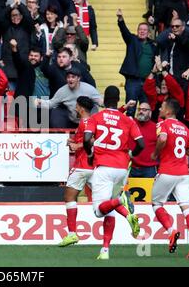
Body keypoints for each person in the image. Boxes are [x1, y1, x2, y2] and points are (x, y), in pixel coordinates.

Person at [83, 85, 144, 260]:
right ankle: (105, 250)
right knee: (109, 209)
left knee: (98, 211)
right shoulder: (128, 120)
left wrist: (90, 154)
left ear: (104, 100)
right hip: (122, 169)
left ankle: (121, 199)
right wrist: (131, 154)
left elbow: (87, 139)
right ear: (119, 100)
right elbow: (141, 144)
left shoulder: (95, 118)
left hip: (104, 167)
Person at [150, 98, 189, 258]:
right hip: (183, 174)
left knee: (157, 203)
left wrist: (156, 153)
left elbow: (163, 139)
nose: (159, 109)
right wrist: (178, 152)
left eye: (162, 107)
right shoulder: (185, 128)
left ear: (168, 111)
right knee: (186, 206)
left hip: (167, 171)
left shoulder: (163, 124)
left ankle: (171, 231)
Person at [59, 96, 95, 247]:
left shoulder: (86, 121)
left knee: (69, 197)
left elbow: (92, 140)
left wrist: (77, 146)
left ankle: (72, 234)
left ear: (81, 107)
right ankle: (126, 210)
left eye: (76, 105)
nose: (74, 107)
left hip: (82, 165)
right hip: (93, 165)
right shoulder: (90, 121)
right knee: (104, 200)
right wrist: (73, 142)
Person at [116, 9, 156, 117]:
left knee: (145, 110)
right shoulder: (132, 40)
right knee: (130, 110)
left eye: (144, 30)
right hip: (133, 81)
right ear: (137, 31)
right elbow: (124, 31)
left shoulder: (153, 45)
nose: (142, 31)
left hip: (147, 82)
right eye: (140, 29)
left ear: (149, 33)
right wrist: (120, 19)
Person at [129, 102, 158, 178]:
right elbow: (116, 115)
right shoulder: (131, 123)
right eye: (139, 109)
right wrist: (125, 107)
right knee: (126, 190)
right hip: (131, 167)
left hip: (149, 168)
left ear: (150, 113)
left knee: (150, 190)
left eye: (144, 110)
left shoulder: (156, 128)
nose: (141, 112)